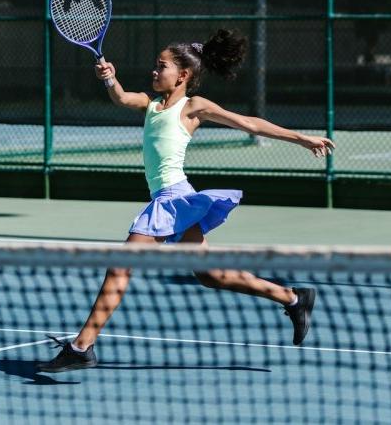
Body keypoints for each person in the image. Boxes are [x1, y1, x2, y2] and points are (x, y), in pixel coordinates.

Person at [37, 29, 335, 373]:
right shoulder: (150, 105)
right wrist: (110, 79)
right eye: (155, 65)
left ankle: (82, 347)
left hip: (172, 198)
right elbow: (121, 98)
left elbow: (249, 123)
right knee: (213, 275)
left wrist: (301, 138)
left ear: (183, 75)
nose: (154, 71)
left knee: (121, 264)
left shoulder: (193, 106)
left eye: (160, 66)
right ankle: (294, 298)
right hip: (173, 199)